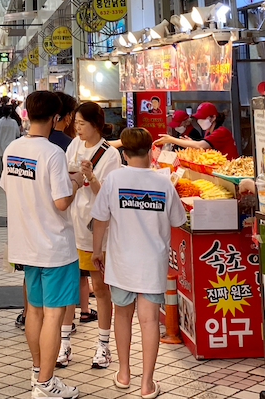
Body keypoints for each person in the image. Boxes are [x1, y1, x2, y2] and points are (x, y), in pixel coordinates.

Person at [91, 128, 186, 397]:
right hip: (152, 264)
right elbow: (179, 221)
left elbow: (100, 218)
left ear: (124, 153)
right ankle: (147, 384)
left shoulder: (113, 179)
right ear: (151, 151)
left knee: (122, 316)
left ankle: (123, 373)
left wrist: (97, 251)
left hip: (121, 263)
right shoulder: (163, 182)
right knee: (148, 322)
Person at [3, 90, 82, 399]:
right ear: (54, 118)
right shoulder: (52, 153)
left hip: (25, 245)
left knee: (34, 311)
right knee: (53, 314)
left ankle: (38, 374)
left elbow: (12, 187)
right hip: (55, 246)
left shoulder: (13, 149)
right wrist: (75, 182)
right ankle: (46, 384)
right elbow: (62, 202)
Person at [63, 101, 121, 370]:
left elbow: (108, 198)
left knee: (100, 289)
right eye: (75, 124)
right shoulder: (74, 145)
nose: (78, 129)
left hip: (96, 232)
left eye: (82, 124)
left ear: (96, 124)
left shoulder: (110, 156)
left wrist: (91, 177)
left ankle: (103, 345)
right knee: (69, 287)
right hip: (71, 226)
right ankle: (64, 345)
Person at [155, 101, 237, 159]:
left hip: (229, 169)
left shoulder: (221, 132)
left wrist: (171, 139)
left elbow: (200, 146)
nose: (199, 121)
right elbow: (203, 148)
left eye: (202, 118)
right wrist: (190, 142)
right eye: (198, 118)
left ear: (213, 117)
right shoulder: (208, 132)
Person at [0, 105, 22, 172]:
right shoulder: (14, 122)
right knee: (10, 165)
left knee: (2, 166)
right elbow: (17, 134)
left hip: (1, 146)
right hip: (11, 146)